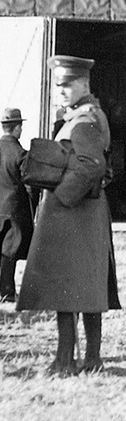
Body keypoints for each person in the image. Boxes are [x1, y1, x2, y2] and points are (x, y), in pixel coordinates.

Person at [16, 57, 119, 376]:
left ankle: (66, 361)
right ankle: (90, 358)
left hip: (76, 215)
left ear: (83, 85)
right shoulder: (83, 115)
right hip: (84, 215)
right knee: (87, 288)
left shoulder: (85, 119)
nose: (60, 91)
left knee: (68, 288)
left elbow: (91, 165)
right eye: (57, 85)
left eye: (66, 85)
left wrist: (61, 197)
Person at [0, 108, 32, 304]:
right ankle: (7, 292)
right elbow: (29, 184)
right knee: (9, 251)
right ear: (17, 128)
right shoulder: (20, 153)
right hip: (13, 210)